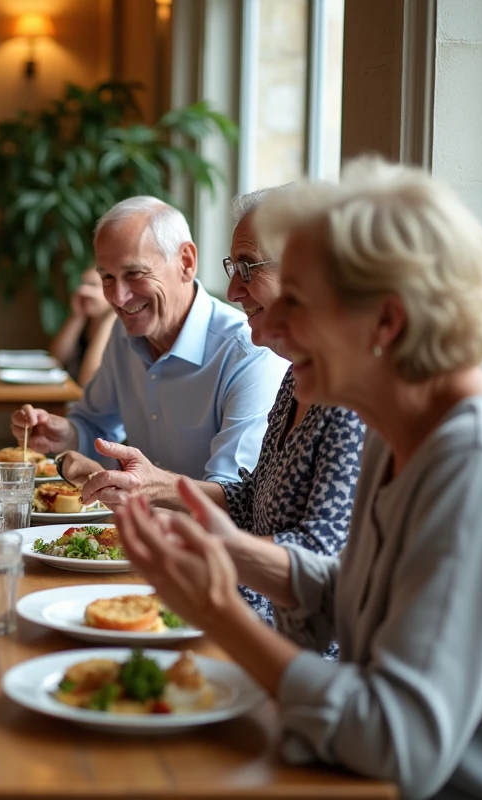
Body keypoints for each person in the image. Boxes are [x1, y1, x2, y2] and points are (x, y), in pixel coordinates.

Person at [115, 157, 482, 799]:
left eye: (300, 303)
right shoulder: (401, 424)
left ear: (386, 322)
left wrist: (220, 613)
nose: (271, 326)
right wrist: (229, 549)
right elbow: (364, 596)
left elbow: (398, 742)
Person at [72, 188, 366, 637]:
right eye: (233, 269)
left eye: (248, 268)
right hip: (232, 610)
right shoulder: (297, 378)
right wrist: (155, 485)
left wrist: (193, 541)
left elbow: (320, 559)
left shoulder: (349, 400)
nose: (231, 290)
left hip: (287, 643)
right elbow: (250, 502)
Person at [12, 196, 288, 484]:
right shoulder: (124, 334)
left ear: (186, 262)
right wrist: (64, 434)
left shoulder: (249, 355)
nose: (119, 298)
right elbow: (94, 424)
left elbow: (230, 493)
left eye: (135, 274)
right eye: (107, 278)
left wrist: (144, 487)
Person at [49, 266, 116, 386]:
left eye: (93, 285)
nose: (83, 291)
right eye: (83, 284)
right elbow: (54, 362)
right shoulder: (84, 324)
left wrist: (109, 321)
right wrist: (77, 317)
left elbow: (89, 383)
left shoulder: (123, 332)